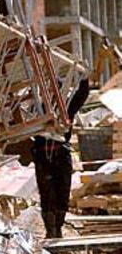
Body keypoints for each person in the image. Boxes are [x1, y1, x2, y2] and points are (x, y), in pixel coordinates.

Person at [32, 77, 90, 238]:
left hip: (61, 153)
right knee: (47, 193)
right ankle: (51, 230)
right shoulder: (38, 108)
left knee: (62, 192)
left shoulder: (66, 107)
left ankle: (57, 228)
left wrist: (84, 77)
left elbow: (82, 95)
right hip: (43, 154)